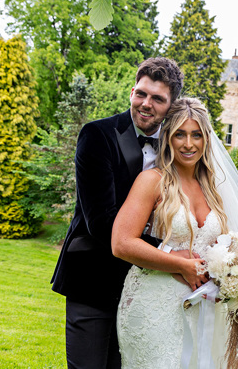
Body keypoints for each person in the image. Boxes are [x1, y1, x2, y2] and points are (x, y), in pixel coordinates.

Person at [112, 98, 238, 368]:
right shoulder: (152, 181)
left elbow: (223, 245)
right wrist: (181, 264)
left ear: (207, 139)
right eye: (180, 134)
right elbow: (121, 243)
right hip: (153, 306)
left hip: (204, 308)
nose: (188, 144)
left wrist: (235, 270)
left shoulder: (214, 188)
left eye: (196, 135)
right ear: (168, 137)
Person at [50, 57, 195, 369]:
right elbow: (100, 223)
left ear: (171, 106)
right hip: (93, 278)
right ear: (132, 91)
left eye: (157, 98)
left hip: (145, 290)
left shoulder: (177, 150)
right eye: (140, 93)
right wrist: (174, 257)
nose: (145, 104)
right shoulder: (97, 136)